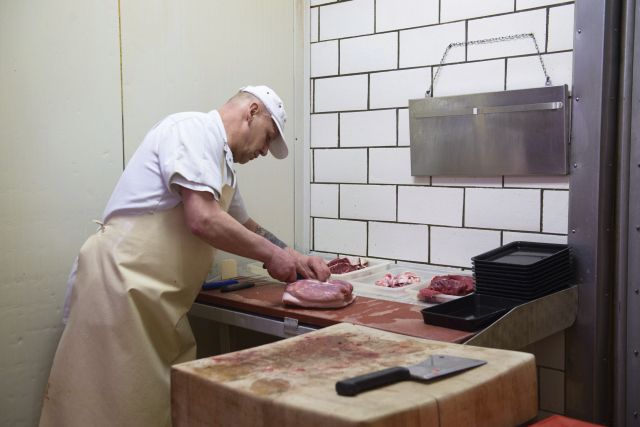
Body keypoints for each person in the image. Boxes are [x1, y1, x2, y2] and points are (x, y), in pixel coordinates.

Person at [39, 85, 330, 427]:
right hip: (119, 288)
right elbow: (203, 219)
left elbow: (245, 225)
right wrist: (270, 257)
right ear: (252, 112)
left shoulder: (223, 167)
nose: (265, 151)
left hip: (157, 302)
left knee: (151, 406)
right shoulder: (191, 130)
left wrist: (293, 256)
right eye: (268, 138)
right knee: (105, 406)